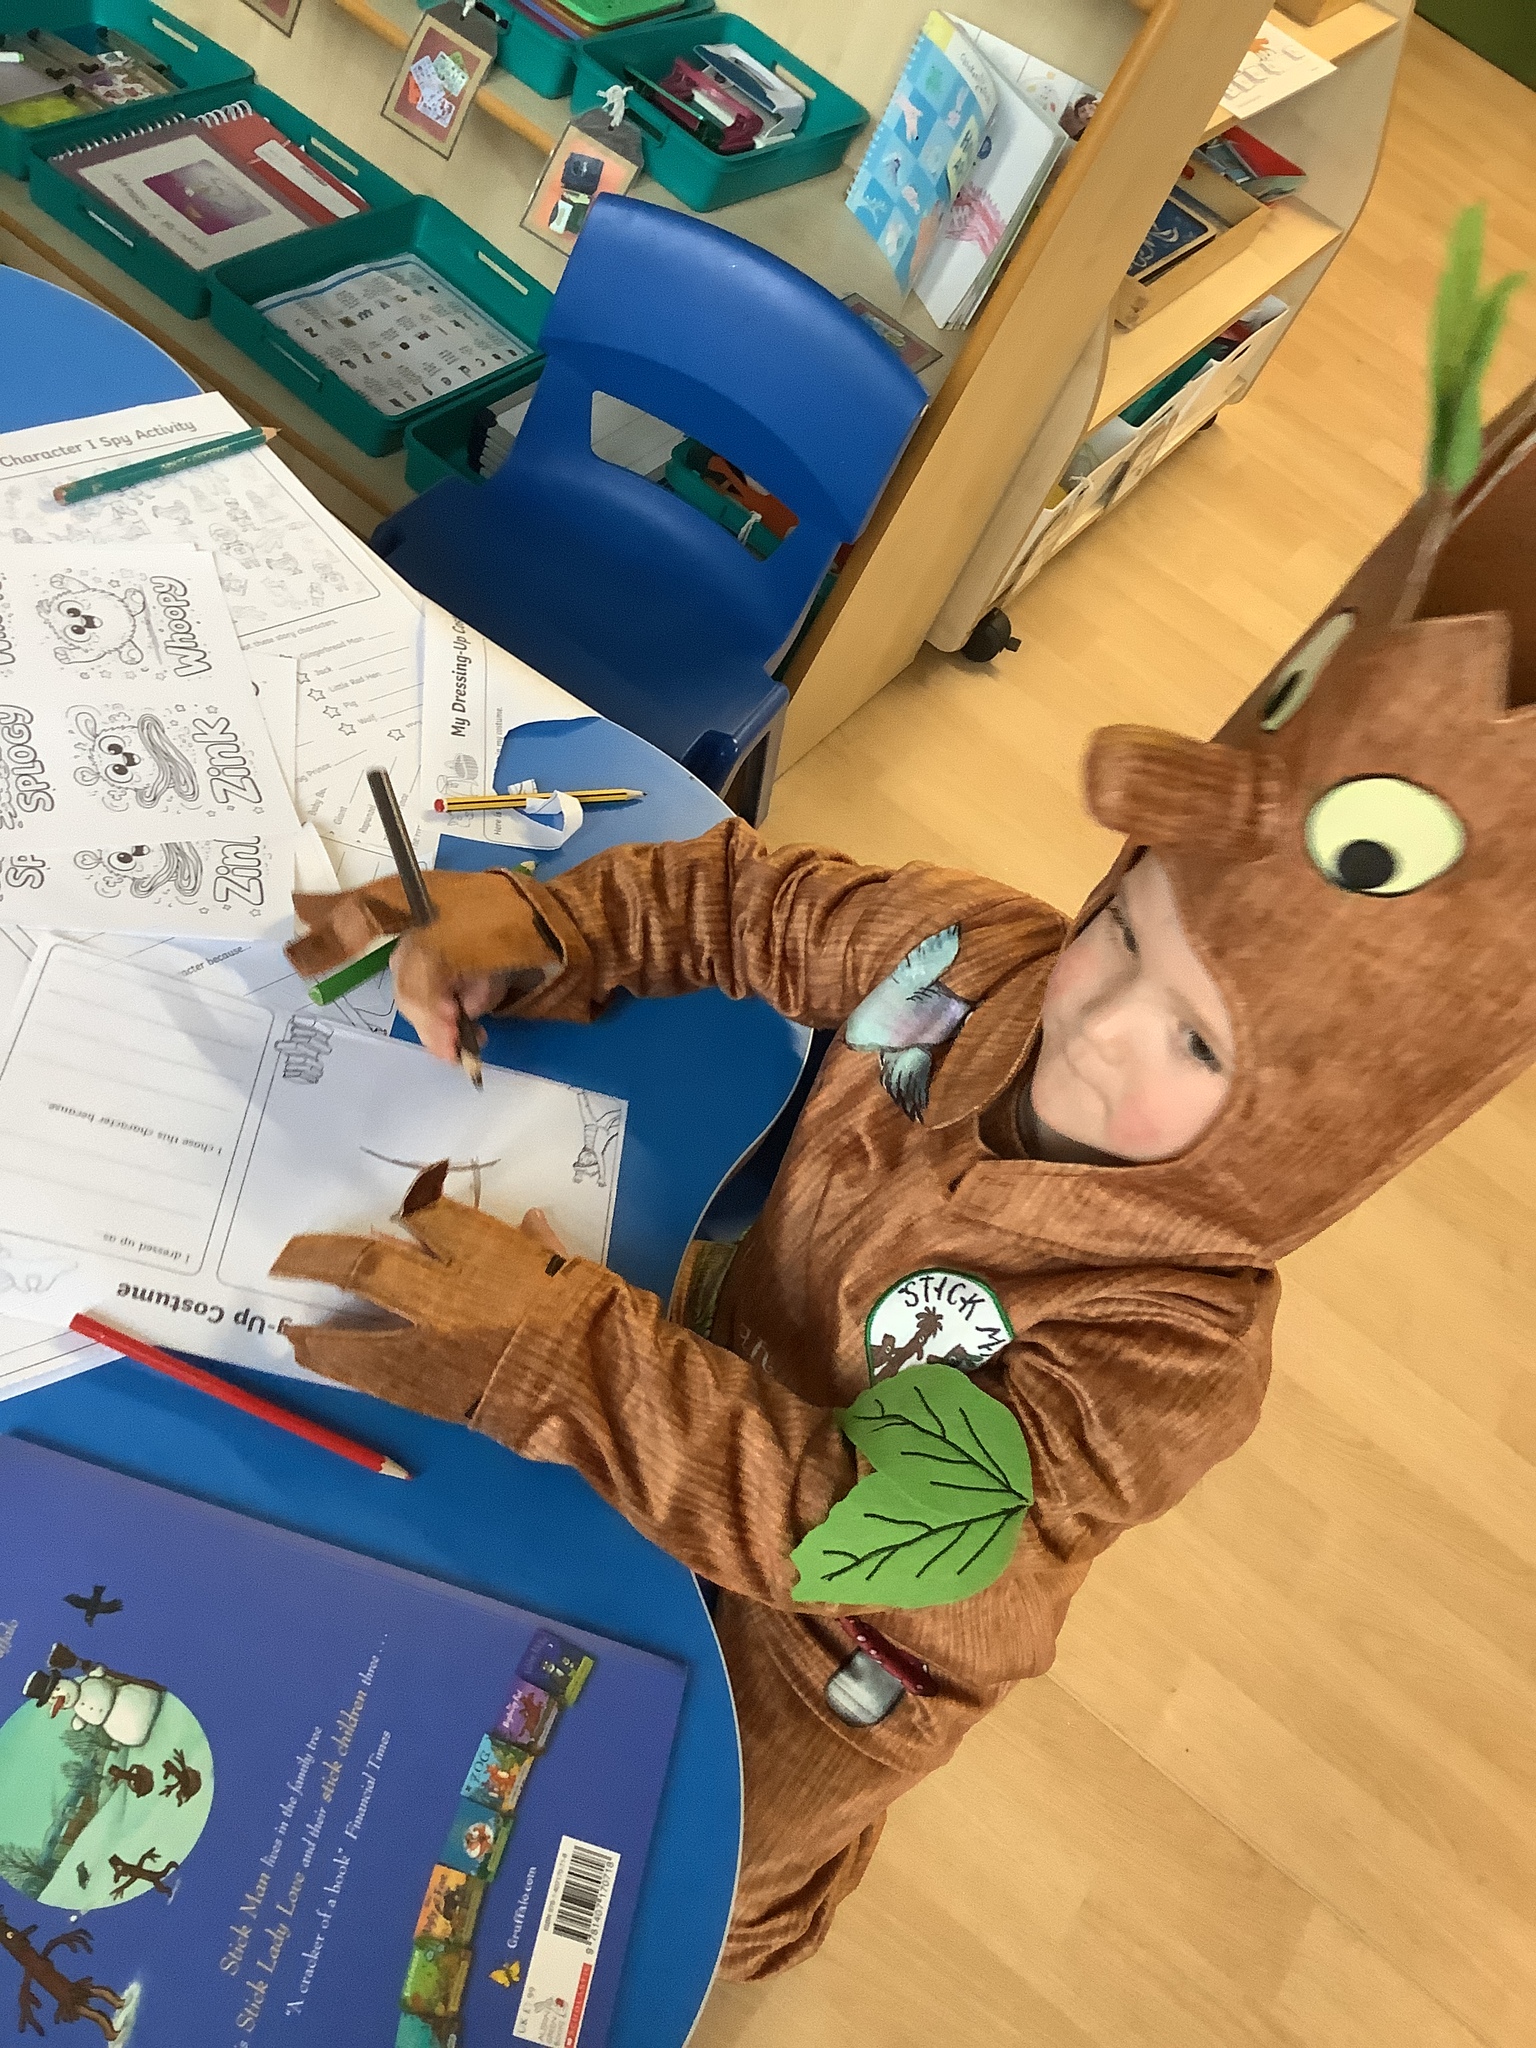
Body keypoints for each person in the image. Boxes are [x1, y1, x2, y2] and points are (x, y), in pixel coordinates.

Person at [274, 372, 1536, 1981]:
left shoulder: (1171, 1344)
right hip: (677, 1390)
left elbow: (867, 1531)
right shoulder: (988, 959)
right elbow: (758, 902)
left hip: (816, 1666)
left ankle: (748, 1929)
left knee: (666, 1874)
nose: (1098, 1023)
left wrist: (563, 1357)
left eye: (1197, 1042)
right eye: (1124, 930)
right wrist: (555, 926)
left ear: (1316, 1125)